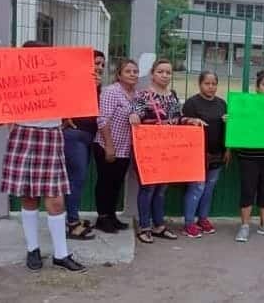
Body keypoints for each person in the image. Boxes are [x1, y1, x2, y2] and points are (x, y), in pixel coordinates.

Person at [0, 41, 85, 271]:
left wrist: (85, 81)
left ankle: (61, 254)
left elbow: (76, 106)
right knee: (29, 198)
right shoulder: (13, 82)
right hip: (23, 136)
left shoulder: (59, 81)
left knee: (56, 201)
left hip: (51, 137)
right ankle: (33, 250)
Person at [130, 59, 204, 244]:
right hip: (148, 149)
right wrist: (134, 116)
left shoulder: (171, 95)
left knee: (161, 190)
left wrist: (191, 121)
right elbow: (136, 113)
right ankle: (144, 227)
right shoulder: (143, 95)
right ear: (153, 73)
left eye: (168, 72)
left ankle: (159, 225)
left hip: (167, 151)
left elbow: (177, 118)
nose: (165, 75)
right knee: (147, 188)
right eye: (161, 71)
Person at [234, 71, 264, 242]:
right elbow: (238, 124)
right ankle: (245, 226)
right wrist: (231, 120)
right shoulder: (246, 105)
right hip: (249, 155)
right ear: (257, 87)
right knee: (247, 190)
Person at [181, 71, 229, 238]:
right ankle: (188, 223)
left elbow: (228, 129)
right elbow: (184, 129)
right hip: (197, 154)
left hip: (217, 153)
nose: (211, 87)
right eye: (207, 83)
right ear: (200, 84)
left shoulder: (222, 104)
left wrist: (228, 149)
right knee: (197, 188)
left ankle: (203, 219)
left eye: (214, 84)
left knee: (209, 189)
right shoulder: (192, 104)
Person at [63, 49, 105, 240]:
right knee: (76, 180)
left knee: (78, 179)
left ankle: (74, 218)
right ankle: (72, 224)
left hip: (88, 136)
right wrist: (63, 117)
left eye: (102, 65)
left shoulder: (98, 87)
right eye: (96, 63)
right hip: (75, 136)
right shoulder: (73, 82)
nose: (99, 67)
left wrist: (95, 88)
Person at [93, 58, 139, 234]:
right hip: (107, 145)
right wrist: (109, 146)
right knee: (105, 183)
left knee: (116, 184)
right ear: (119, 75)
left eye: (135, 71)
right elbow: (102, 119)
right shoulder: (111, 92)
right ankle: (102, 218)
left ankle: (111, 216)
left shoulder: (136, 95)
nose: (132, 74)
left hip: (124, 148)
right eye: (128, 71)